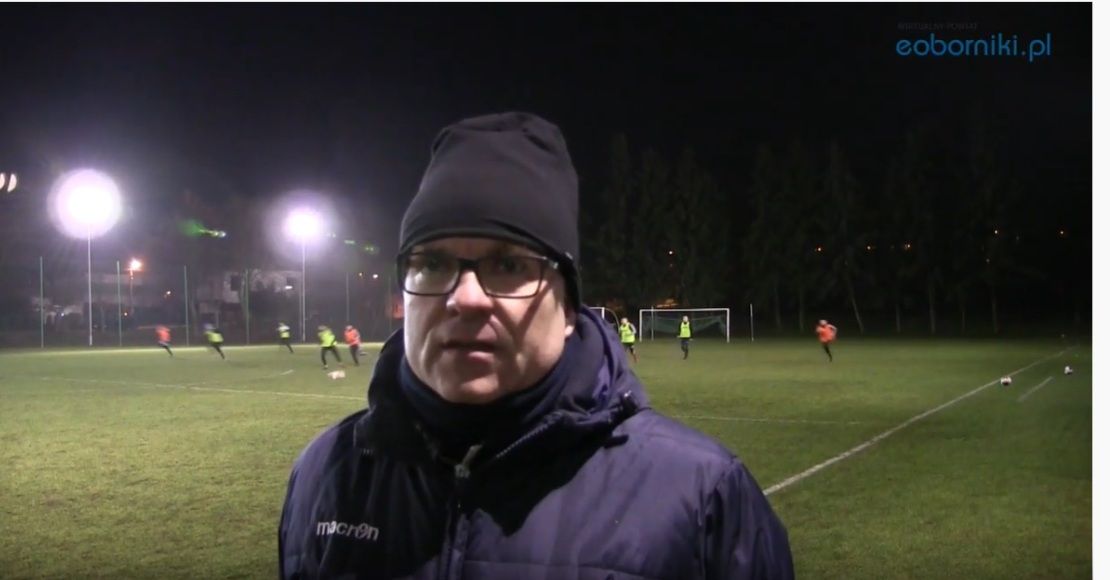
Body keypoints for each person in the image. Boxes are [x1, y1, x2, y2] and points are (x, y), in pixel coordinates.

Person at [279, 112, 793, 579]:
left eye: (508, 265)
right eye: (432, 263)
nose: (465, 298)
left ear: (568, 307)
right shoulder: (326, 476)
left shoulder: (703, 499)